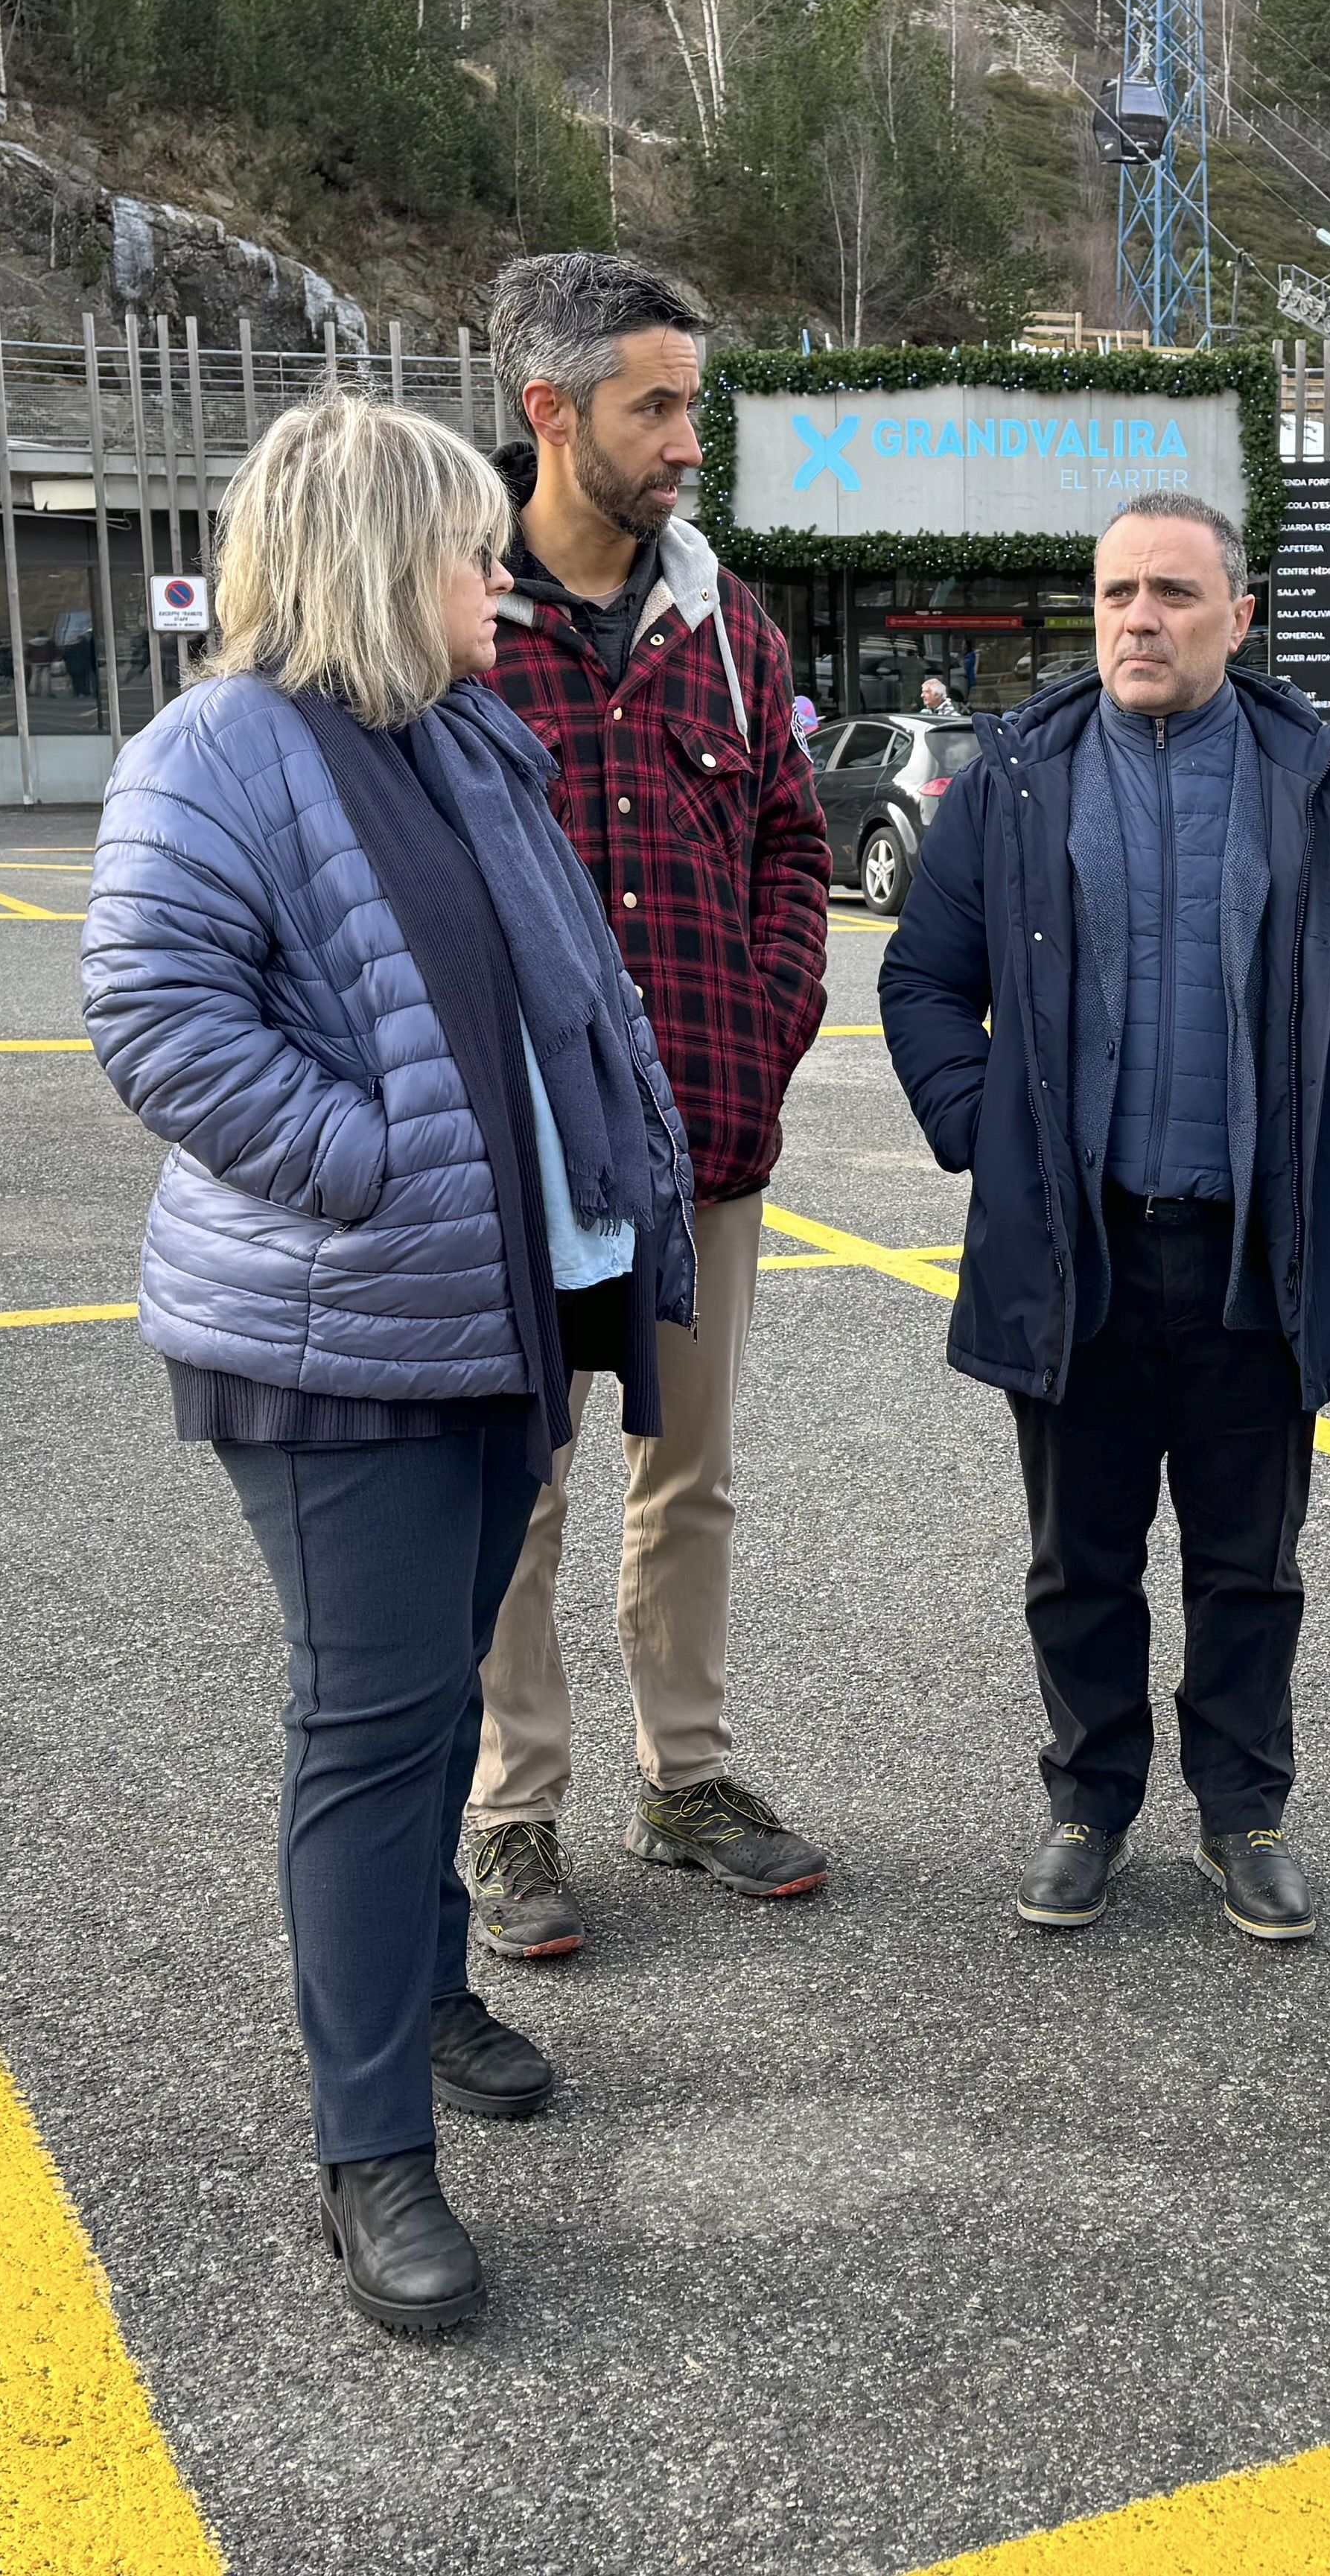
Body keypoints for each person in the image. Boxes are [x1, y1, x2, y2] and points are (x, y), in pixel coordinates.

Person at [83, 390, 697, 2335]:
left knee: (437, 1702)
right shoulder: (219, 754)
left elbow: (567, 992)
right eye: (461, 550)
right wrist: (371, 1160)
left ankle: (423, 1993)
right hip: (340, 1334)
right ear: (370, 564)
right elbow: (152, 1016)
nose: (497, 580)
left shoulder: (455, 740)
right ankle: (371, 2155)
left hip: (492, 1312)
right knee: (369, 1730)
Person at [878, 492, 1330, 1937]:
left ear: (1235, 620)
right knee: (1079, 1559)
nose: (1138, 618)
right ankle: (1088, 1800)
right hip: (1081, 1250)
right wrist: (984, 1136)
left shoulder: (1317, 782)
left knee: (1251, 1562)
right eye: (1118, 591)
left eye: (1173, 594)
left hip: (1256, 1252)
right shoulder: (1014, 783)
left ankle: (1242, 1809)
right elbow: (921, 981)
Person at [460, 250, 836, 1959]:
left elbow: (789, 848)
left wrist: (759, 1031)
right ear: (550, 411)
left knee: (687, 1469)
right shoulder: (448, 615)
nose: (690, 438)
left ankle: (684, 1776)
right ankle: (510, 1809)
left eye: (695, 401)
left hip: (699, 1134)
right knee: (515, 1481)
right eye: (656, 405)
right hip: (511, 1158)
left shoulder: (727, 627)